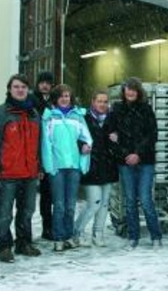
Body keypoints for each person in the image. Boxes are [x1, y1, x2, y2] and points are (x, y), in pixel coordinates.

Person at [0, 74, 43, 263]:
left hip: (30, 174)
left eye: (24, 87)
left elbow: (39, 145)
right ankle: (4, 246)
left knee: (27, 211)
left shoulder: (34, 114)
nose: (20, 90)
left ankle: (23, 243)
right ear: (9, 89)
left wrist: (39, 167)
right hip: (7, 174)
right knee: (4, 212)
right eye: (16, 87)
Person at [110, 77, 163, 250]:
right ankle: (133, 237)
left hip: (145, 161)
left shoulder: (146, 110)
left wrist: (138, 154)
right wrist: (127, 154)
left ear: (139, 92)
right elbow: (112, 135)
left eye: (134, 89)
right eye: (128, 89)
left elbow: (152, 135)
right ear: (124, 92)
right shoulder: (117, 110)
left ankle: (156, 236)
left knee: (146, 199)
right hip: (125, 162)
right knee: (130, 200)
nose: (131, 92)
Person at [41, 84, 93, 252]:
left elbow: (87, 138)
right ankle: (58, 238)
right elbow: (46, 144)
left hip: (73, 167)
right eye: (62, 96)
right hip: (57, 168)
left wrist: (86, 147)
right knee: (59, 205)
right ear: (56, 98)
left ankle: (69, 236)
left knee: (70, 204)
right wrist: (50, 166)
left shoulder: (77, 117)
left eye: (68, 96)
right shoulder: (49, 118)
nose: (65, 99)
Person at [73, 90, 119, 247]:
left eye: (105, 101)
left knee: (105, 203)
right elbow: (76, 137)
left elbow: (119, 139)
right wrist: (82, 146)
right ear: (93, 102)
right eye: (99, 101)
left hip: (108, 166)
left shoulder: (112, 119)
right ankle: (77, 231)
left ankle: (98, 234)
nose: (103, 104)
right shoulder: (84, 119)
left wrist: (116, 139)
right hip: (91, 166)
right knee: (94, 202)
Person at [33, 71, 55, 240]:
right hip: (39, 151)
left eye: (48, 82)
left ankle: (54, 226)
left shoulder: (56, 100)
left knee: (54, 194)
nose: (45, 85)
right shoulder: (32, 101)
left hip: (55, 153)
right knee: (45, 194)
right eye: (42, 82)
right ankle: (46, 227)